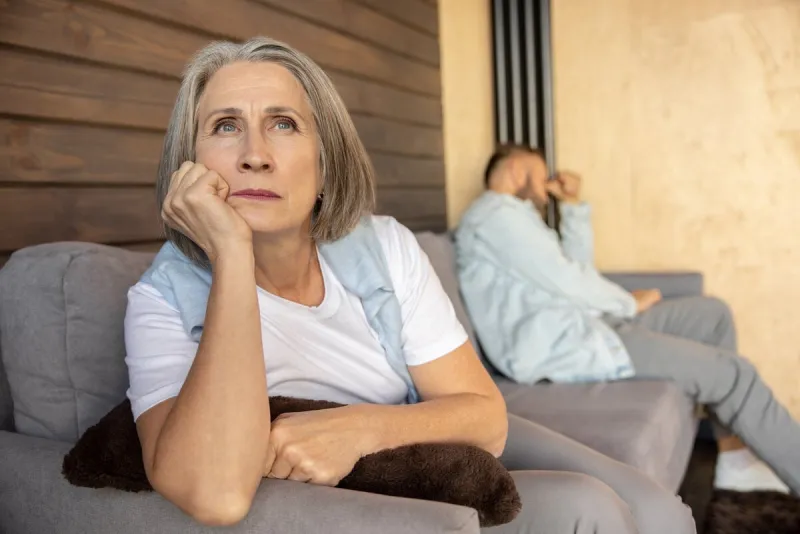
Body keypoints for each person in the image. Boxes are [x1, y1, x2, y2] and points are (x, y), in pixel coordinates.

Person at [124, 38, 695, 534]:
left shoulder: (382, 244)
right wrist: (230, 255)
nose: (253, 155)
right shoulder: (160, 300)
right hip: (385, 493)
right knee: (584, 508)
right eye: (225, 126)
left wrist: (355, 428)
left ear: (325, 166)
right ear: (189, 164)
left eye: (283, 123)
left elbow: (484, 418)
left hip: (424, 429)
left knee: (656, 506)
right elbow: (215, 495)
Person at [455, 143, 800, 496]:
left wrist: (572, 207)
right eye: (541, 174)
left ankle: (734, 461)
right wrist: (628, 304)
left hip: (592, 324)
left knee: (712, 316)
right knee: (733, 373)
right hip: (567, 343)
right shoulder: (493, 216)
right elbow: (567, 279)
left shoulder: (515, 219)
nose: (546, 184)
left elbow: (576, 270)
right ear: (516, 169)